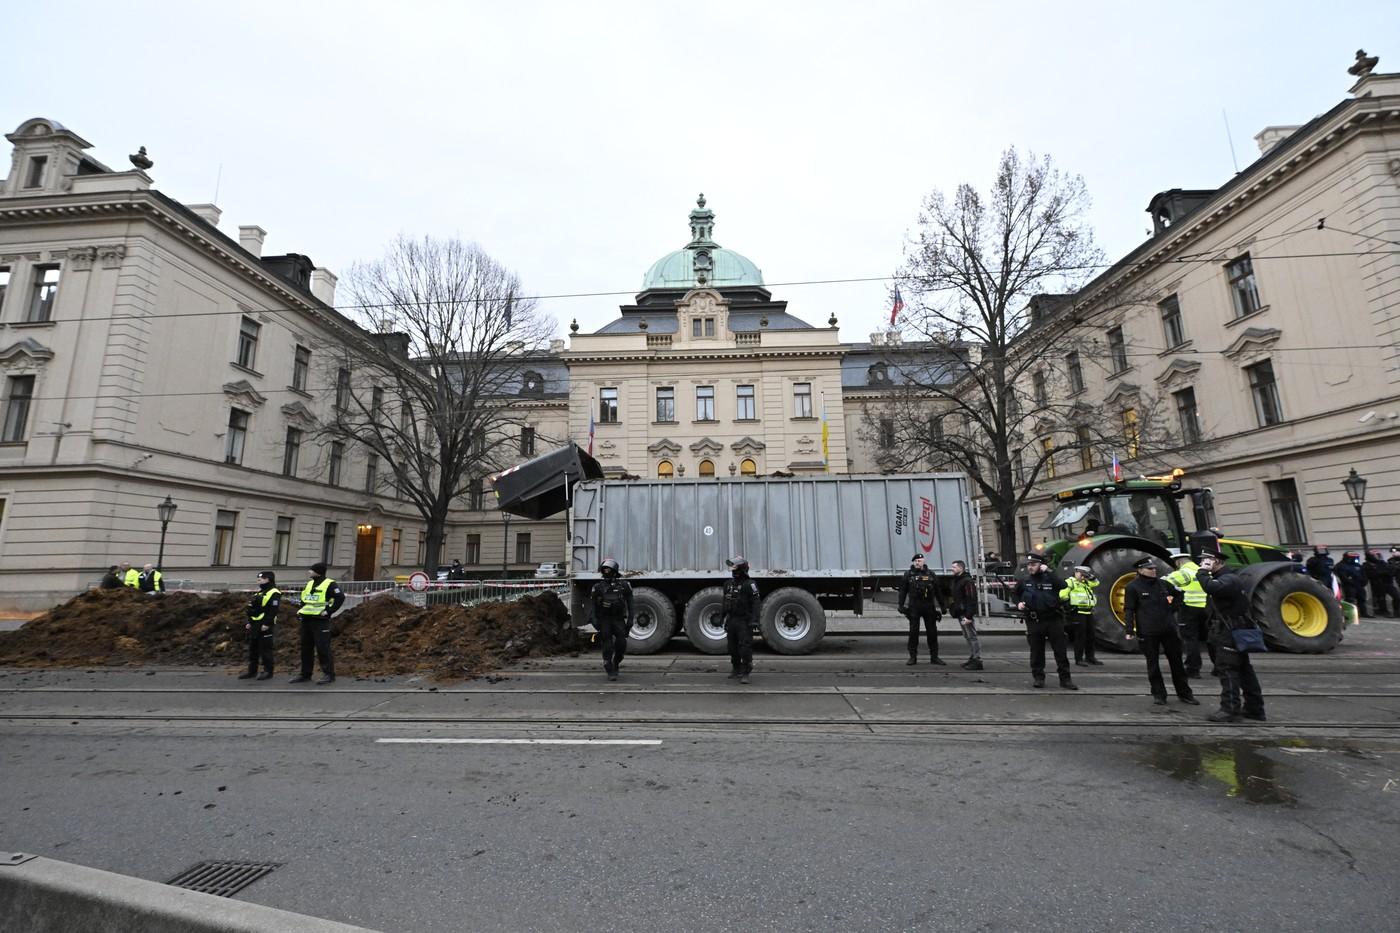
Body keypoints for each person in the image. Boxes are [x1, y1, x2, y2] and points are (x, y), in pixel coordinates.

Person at [1195, 550, 1266, 722]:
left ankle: (1230, 710)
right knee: (1243, 669)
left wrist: (1202, 572)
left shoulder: (1228, 579)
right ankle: (1254, 709)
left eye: (1206, 560)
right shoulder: (1227, 578)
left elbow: (1211, 587)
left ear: (1216, 562)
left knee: (1228, 670)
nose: (1202, 563)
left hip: (1229, 631)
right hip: (1232, 628)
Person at [1123, 557, 1198, 707]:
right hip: (1148, 632)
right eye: (1150, 568)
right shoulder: (1133, 587)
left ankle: (1185, 693)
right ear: (1140, 570)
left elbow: (1179, 595)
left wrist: (1172, 608)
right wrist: (1129, 629)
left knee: (1177, 663)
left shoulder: (1163, 584)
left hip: (1168, 629)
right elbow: (1129, 609)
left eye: (1154, 568)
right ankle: (1159, 694)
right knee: (1153, 665)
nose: (1154, 570)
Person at [1013, 554, 1077, 690]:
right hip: (1034, 620)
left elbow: (1063, 585)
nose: (1030, 567)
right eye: (1029, 565)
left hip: (1053, 619)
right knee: (1036, 651)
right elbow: (1015, 594)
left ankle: (1065, 679)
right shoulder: (1024, 580)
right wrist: (1018, 604)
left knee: (1060, 651)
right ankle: (1038, 678)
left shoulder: (1050, 578)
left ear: (1041, 565)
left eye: (1033, 564)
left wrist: (1049, 571)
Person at [291, 562, 344, 685]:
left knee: (322, 648)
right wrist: (302, 610)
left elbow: (340, 597)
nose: (309, 572)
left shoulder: (329, 584)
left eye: (311, 570)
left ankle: (329, 674)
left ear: (318, 572)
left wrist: (328, 611)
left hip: (320, 621)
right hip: (307, 619)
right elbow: (305, 599)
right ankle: (305, 674)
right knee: (306, 648)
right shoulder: (310, 583)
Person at [1164, 552, 1209, 677]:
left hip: (1189, 608)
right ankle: (1219, 668)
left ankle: (1193, 669)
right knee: (1211, 639)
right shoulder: (1203, 571)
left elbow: (1162, 583)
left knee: (1190, 639)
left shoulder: (1182, 573)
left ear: (1178, 562)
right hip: (1207, 609)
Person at [590, 558, 634, 681]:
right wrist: (593, 619)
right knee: (607, 645)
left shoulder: (624, 585)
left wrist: (631, 619)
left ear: (614, 571)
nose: (606, 572)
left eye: (608, 569)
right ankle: (609, 667)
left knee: (621, 644)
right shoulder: (598, 587)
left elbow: (631, 603)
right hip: (605, 619)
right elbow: (593, 604)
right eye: (604, 569)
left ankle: (616, 662)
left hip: (618, 619)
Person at [897, 554, 944, 665]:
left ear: (924, 562)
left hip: (929, 607)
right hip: (914, 607)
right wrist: (901, 605)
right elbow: (903, 591)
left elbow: (938, 591)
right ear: (913, 562)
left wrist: (943, 606)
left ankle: (934, 657)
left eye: (920, 561)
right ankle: (913, 657)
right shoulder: (908, 575)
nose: (918, 563)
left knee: (932, 633)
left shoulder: (931, 574)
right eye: (916, 561)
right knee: (913, 633)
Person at [722, 555, 761, 684]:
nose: (733, 570)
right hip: (732, 620)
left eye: (735, 567)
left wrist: (755, 620)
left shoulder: (750, 585)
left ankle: (746, 672)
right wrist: (721, 617)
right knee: (732, 647)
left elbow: (756, 603)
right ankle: (736, 668)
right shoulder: (728, 584)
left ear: (742, 569)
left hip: (744, 621)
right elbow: (725, 602)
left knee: (745, 647)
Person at [239, 571, 280, 681]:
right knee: (253, 649)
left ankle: (268, 671)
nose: (258, 580)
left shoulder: (274, 593)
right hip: (255, 624)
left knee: (265, 650)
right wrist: (249, 622)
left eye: (261, 578)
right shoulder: (260, 592)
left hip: (265, 625)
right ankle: (252, 671)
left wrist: (267, 624)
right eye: (258, 578)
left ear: (268, 579)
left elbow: (273, 611)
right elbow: (253, 609)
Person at [1058, 565, 1101, 666]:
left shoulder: (1085, 582)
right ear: (1076, 573)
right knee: (1080, 637)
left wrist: (1090, 577)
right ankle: (1079, 659)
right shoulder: (1070, 582)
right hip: (1078, 613)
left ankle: (1090, 657)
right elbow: (1062, 595)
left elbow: (1096, 583)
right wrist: (1069, 604)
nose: (1083, 577)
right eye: (1082, 575)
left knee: (1091, 636)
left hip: (1088, 612)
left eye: (1084, 575)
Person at [947, 560, 982, 670]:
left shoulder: (967, 581)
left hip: (966, 613)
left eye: (954, 567)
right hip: (960, 612)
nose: (952, 569)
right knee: (967, 636)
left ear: (961, 568)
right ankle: (973, 657)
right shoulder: (957, 580)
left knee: (972, 636)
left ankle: (977, 659)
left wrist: (969, 616)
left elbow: (971, 599)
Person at [1335, 551, 1370, 618]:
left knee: (1362, 599)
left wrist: (1364, 581)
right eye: (1353, 557)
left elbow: (1364, 574)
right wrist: (1350, 581)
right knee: (1350, 600)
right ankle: (1350, 614)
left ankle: (1364, 613)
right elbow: (1342, 576)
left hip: (1359, 585)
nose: (1355, 559)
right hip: (1348, 585)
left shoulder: (1358, 565)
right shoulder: (1341, 565)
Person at [1365, 551, 1400, 618]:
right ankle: (1383, 611)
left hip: (1388, 583)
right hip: (1377, 585)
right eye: (1376, 555)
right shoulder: (1367, 565)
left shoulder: (1382, 563)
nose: (1378, 557)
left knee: (1396, 597)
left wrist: (1385, 572)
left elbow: (1391, 571)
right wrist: (1384, 572)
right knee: (1381, 599)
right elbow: (1372, 574)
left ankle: (1396, 612)